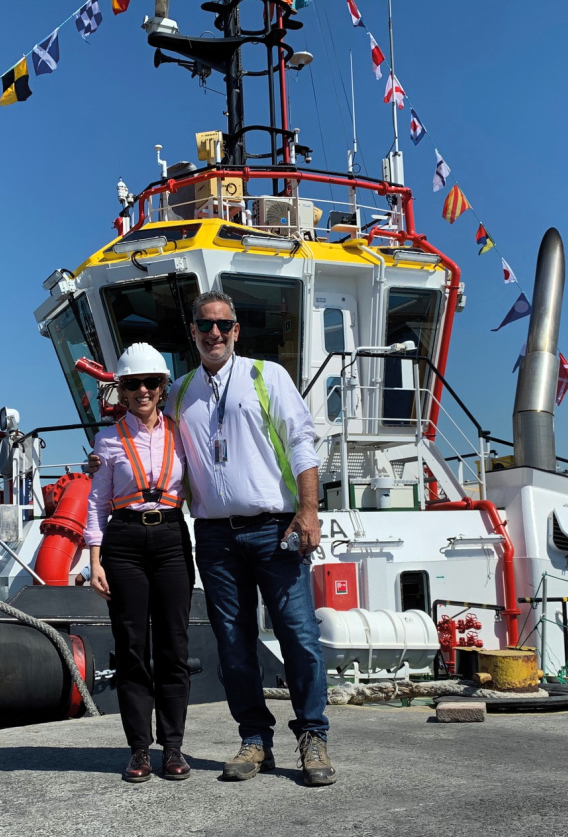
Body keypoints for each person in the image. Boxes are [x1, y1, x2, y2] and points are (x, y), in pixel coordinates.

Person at [168, 289, 335, 787]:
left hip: (274, 527)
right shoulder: (179, 393)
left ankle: (312, 734)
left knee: (299, 635)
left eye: (223, 324)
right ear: (193, 332)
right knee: (233, 643)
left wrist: (308, 511)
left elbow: (301, 442)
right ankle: (254, 739)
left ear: (236, 331)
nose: (214, 333)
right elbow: (161, 456)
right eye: (204, 325)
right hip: (215, 535)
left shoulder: (267, 376)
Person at [84, 343, 195, 783]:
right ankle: (138, 751)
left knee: (174, 646)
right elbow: (96, 502)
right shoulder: (107, 440)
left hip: (170, 538)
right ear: (122, 391)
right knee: (132, 649)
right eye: (133, 384)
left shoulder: (182, 433)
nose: (143, 390)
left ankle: (172, 748)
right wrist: (94, 560)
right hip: (124, 542)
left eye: (151, 383)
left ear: (164, 387)